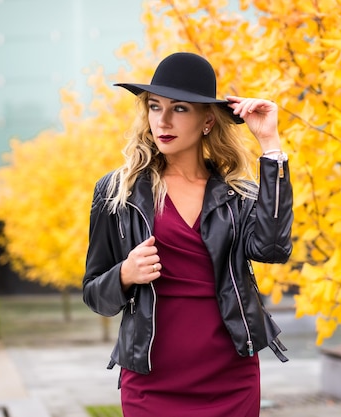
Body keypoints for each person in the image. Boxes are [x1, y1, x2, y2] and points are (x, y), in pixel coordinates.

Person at [82, 52, 293, 417]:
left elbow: (273, 249)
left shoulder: (236, 196)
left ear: (207, 121)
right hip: (152, 382)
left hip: (229, 378)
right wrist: (125, 274)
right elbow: (94, 294)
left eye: (179, 108)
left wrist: (271, 148)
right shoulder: (118, 192)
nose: (162, 120)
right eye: (154, 106)